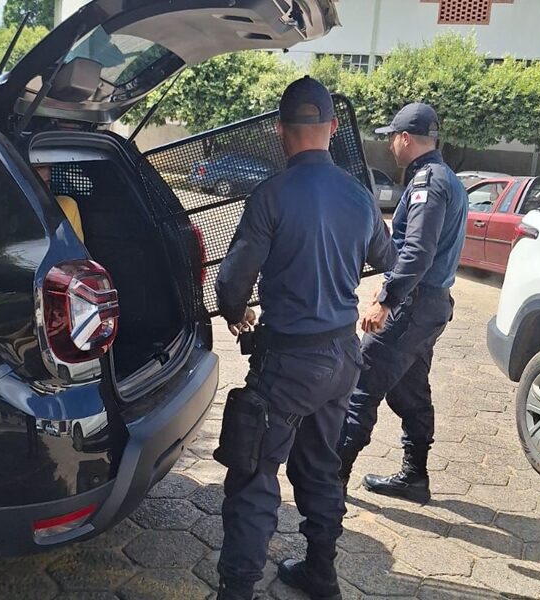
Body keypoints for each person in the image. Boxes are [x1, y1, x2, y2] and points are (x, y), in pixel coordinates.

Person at [213, 76, 396, 600]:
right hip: (343, 357)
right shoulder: (359, 196)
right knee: (319, 466)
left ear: (279, 131)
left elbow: (231, 284)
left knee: (254, 476)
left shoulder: (270, 195)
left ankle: (236, 591)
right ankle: (321, 572)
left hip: (289, 363)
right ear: (333, 129)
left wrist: (233, 311)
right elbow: (386, 258)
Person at [337, 102, 468, 504]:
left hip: (412, 304)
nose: (390, 143)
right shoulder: (447, 179)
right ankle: (414, 477)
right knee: (410, 390)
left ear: (405, 139)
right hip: (430, 305)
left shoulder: (430, 182)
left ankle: (329, 484)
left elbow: (417, 251)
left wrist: (386, 300)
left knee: (361, 385)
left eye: (392, 136)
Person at [34, 164, 85, 242]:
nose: (44, 190)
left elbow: (74, 249)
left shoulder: (66, 205)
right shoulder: (14, 210)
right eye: (37, 184)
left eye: (47, 183)